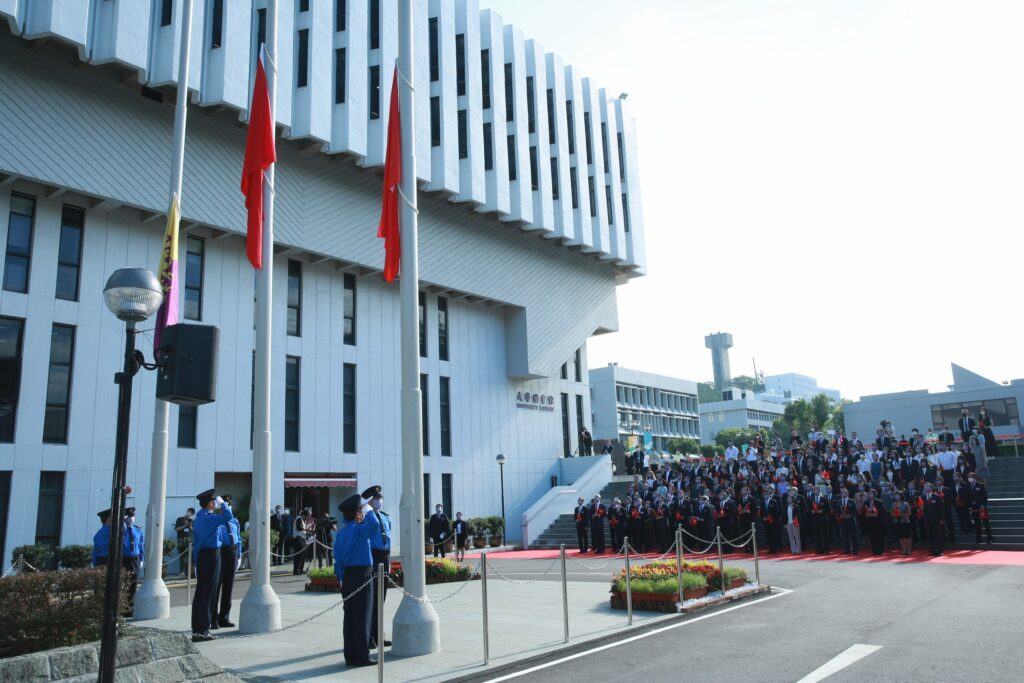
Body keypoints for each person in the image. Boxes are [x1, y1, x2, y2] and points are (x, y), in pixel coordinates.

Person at [334, 493, 381, 668]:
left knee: (350, 618)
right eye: (360, 511)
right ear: (356, 514)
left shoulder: (342, 533)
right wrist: (369, 509)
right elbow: (375, 524)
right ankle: (361, 656)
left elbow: (337, 559)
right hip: (362, 575)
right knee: (363, 617)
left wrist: (341, 577)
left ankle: (350, 655)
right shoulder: (359, 530)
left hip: (347, 576)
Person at [191, 489, 233, 643]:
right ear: (210, 503)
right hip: (212, 555)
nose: (216, 503)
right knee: (209, 594)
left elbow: (195, 542)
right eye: (214, 501)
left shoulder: (199, 518)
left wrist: (196, 560)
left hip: (203, 556)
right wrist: (223, 504)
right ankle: (202, 631)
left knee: (201, 594)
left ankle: (198, 629)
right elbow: (228, 516)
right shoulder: (209, 518)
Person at [362, 485, 392, 651]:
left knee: (382, 599)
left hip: (385, 556)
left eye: (380, 498)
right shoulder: (368, 517)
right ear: (370, 501)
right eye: (376, 499)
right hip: (374, 556)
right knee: (372, 599)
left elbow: (389, 538)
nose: (379, 501)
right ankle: (370, 637)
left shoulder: (386, 517)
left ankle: (379, 635)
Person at [211, 495, 241, 630]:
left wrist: (239, 555)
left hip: (233, 552)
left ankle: (224, 617)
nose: (228, 506)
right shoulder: (217, 520)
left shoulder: (235, 521)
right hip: (221, 552)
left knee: (228, 587)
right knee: (216, 587)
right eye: (225, 504)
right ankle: (213, 618)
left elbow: (238, 538)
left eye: (229, 504)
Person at [121, 507, 145, 613]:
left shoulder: (137, 529)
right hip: (123, 559)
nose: (131, 519)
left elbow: (141, 545)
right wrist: (122, 521)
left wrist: (141, 558)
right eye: (128, 517)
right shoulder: (122, 529)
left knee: (133, 583)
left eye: (132, 516)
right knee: (123, 583)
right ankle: (122, 606)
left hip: (135, 559)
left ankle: (130, 607)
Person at [969, 476, 993, 544]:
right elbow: (967, 498)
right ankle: (978, 538)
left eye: (971, 477)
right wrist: (969, 506)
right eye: (968, 477)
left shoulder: (981, 485)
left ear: (974, 478)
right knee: (977, 524)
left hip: (982, 507)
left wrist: (983, 505)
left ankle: (989, 538)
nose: (969, 478)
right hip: (974, 508)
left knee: (986, 523)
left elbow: (984, 496)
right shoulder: (968, 487)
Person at [921, 484, 944, 556]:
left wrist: (941, 519)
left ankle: (939, 550)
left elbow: (941, 509)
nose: (926, 487)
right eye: (925, 486)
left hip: (936, 519)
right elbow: (921, 508)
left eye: (927, 486)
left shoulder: (936, 496)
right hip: (927, 519)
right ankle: (932, 549)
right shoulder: (922, 497)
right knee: (929, 534)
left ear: (931, 488)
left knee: (937, 534)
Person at [833, 488, 858, 555]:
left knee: (853, 536)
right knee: (845, 536)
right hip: (843, 521)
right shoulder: (838, 501)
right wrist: (840, 515)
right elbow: (836, 511)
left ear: (847, 493)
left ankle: (855, 550)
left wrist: (849, 515)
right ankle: (847, 549)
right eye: (842, 493)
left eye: (844, 492)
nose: (843, 494)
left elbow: (855, 511)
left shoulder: (852, 501)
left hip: (850, 521)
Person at [293, 508, 315, 574]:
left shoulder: (303, 520)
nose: (308, 517)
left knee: (303, 555)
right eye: (308, 516)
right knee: (299, 555)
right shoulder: (299, 519)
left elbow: (303, 529)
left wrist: (308, 531)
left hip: (302, 538)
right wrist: (307, 530)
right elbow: (299, 528)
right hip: (298, 538)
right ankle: (296, 570)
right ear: (304, 515)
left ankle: (301, 569)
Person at [174, 507, 195, 576]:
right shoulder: (179, 519)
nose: (189, 513)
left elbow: (193, 531)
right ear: (186, 511)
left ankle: (188, 572)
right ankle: (182, 571)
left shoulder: (191, 521)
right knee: (182, 556)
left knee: (190, 557)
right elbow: (177, 529)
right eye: (189, 511)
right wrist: (185, 525)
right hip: (181, 540)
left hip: (189, 541)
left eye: (191, 513)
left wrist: (190, 526)